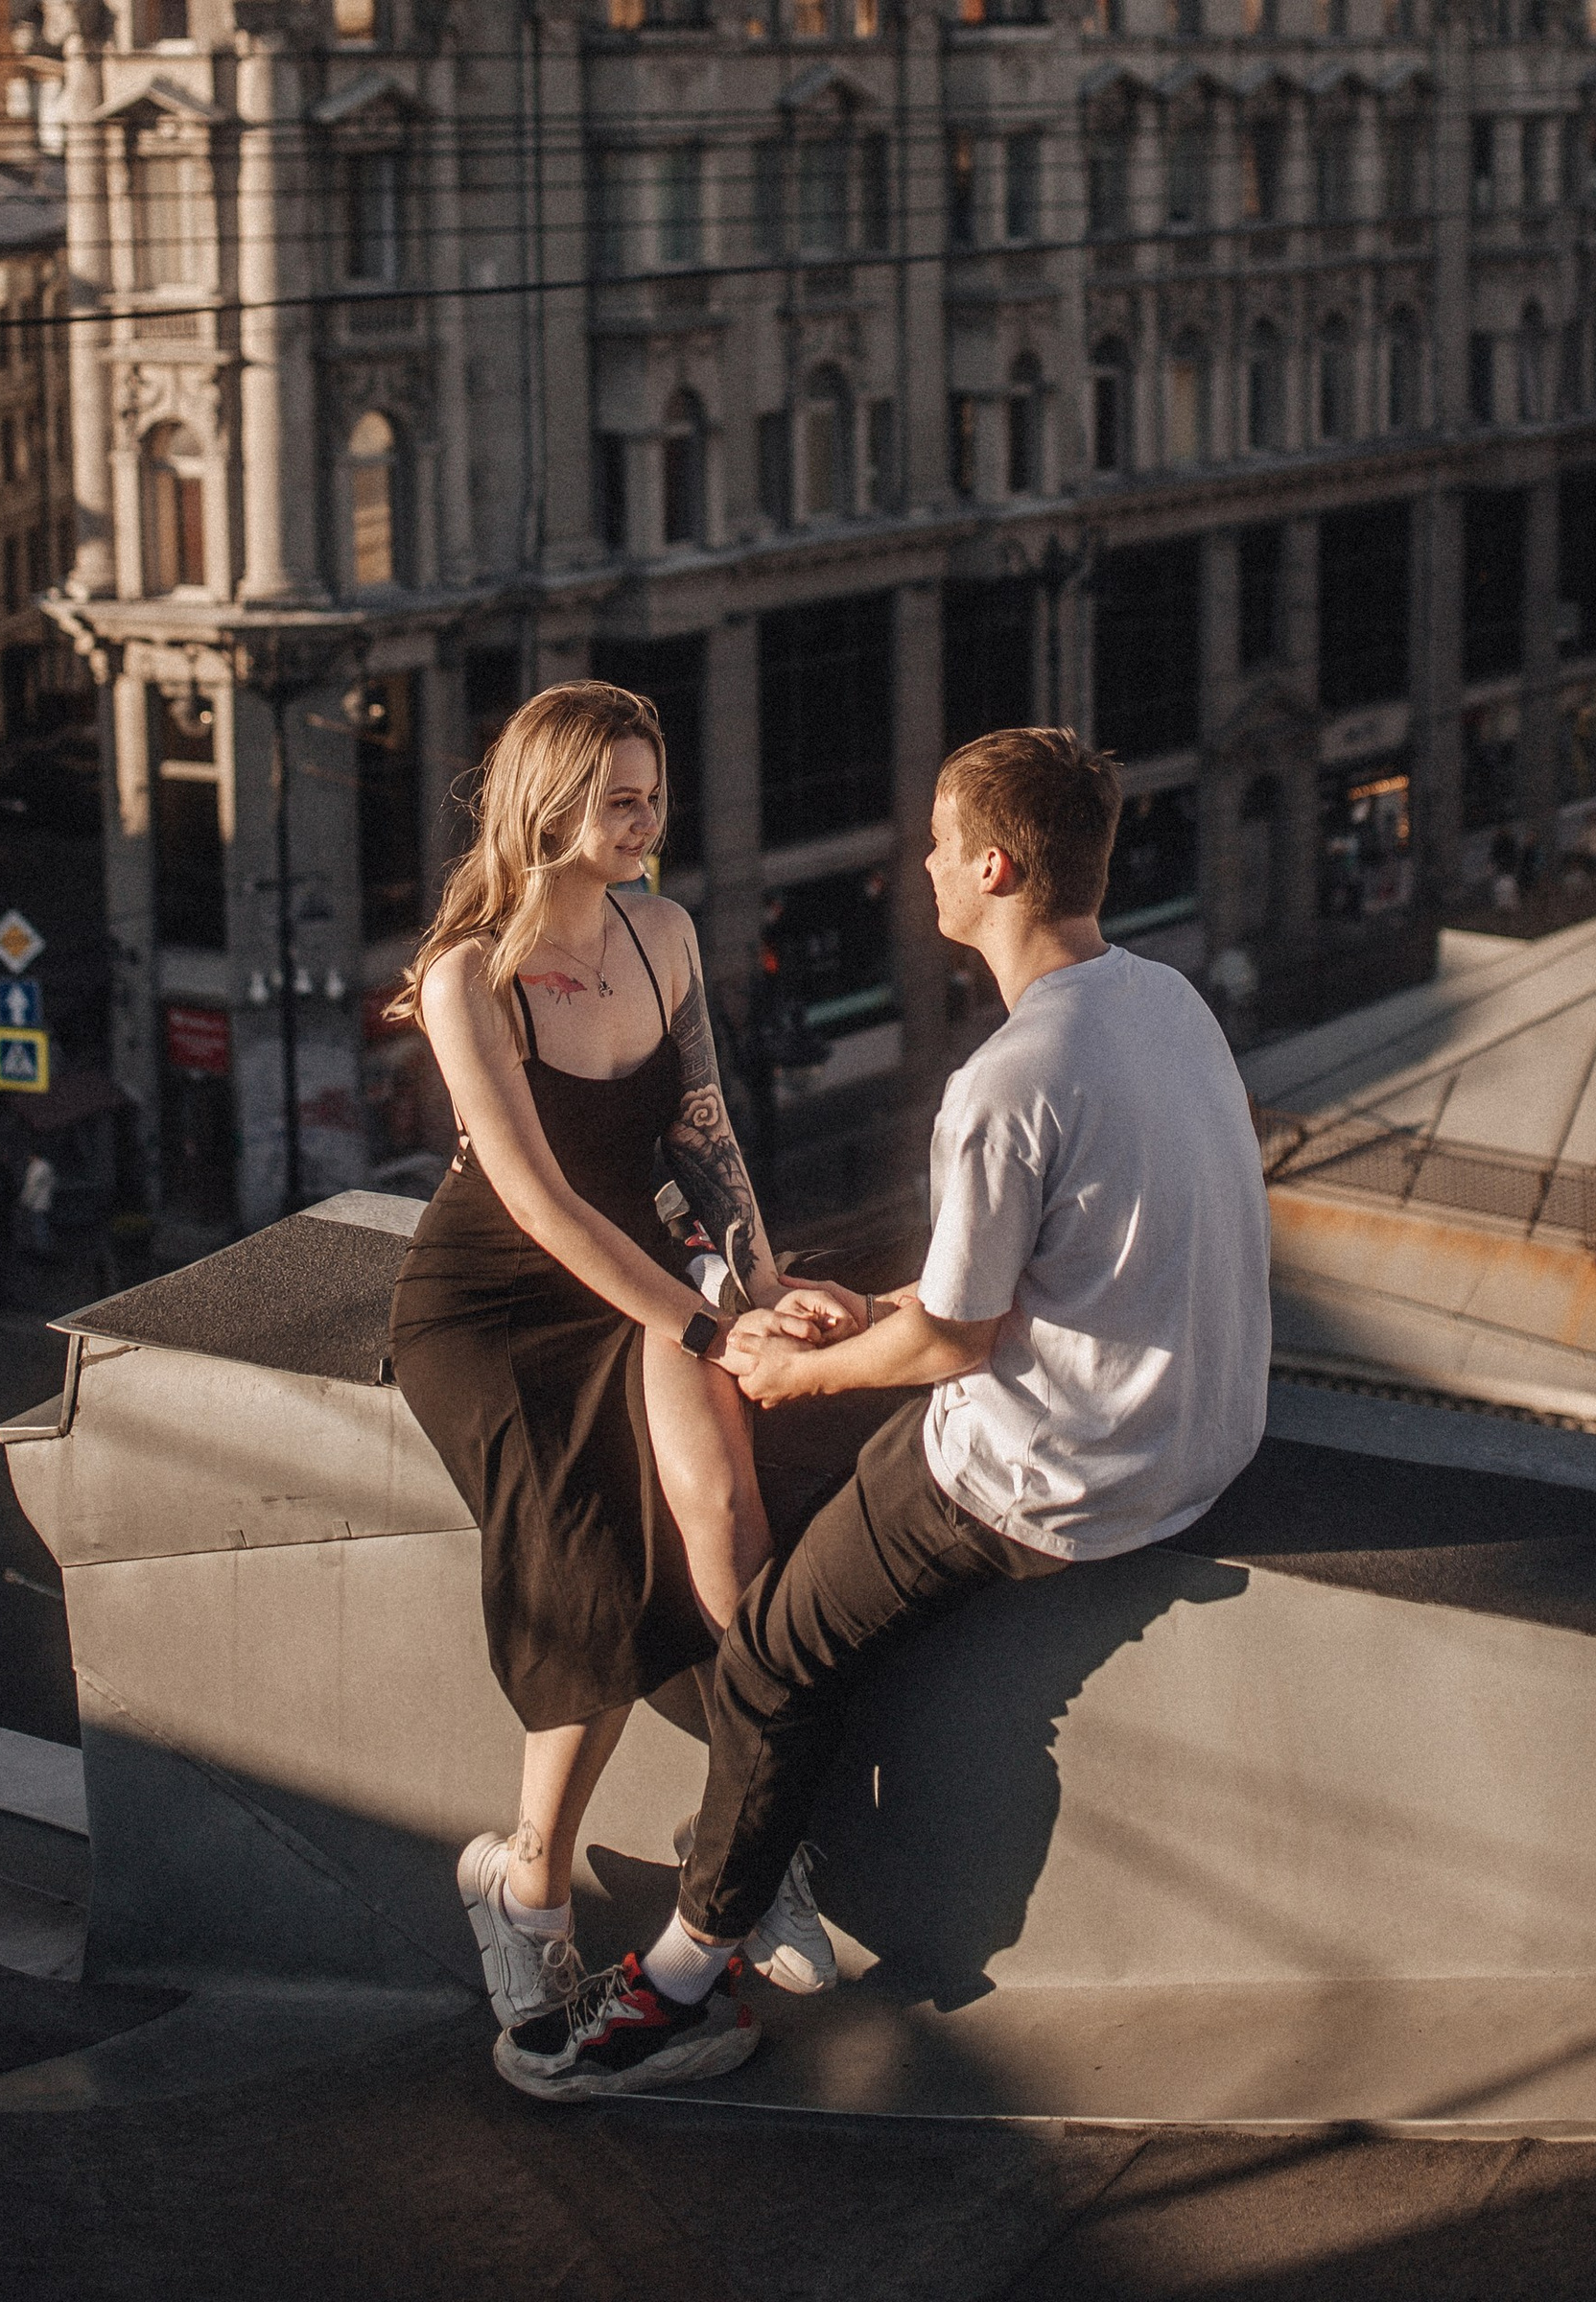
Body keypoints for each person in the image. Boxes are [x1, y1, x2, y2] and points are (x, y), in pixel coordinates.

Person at [495, 725, 1272, 2102]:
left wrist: (794, 1368)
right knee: (796, 1498)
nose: (919, 863)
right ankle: (749, 1840)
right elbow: (1030, 1266)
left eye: (935, 840)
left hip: (1058, 1475)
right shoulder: (1162, 1000)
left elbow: (958, 1342)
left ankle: (684, 1980)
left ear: (992, 865)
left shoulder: (1005, 1082)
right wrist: (863, 1312)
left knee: (774, 1658)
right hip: (1201, 1441)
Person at [387, 680, 842, 2039]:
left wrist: (764, 1287)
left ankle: (749, 1853)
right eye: (621, 798)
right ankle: (529, 1892)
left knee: (718, 1521)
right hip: (488, 1309)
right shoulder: (469, 975)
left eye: (656, 793)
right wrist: (707, 1321)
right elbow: (534, 1201)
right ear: (550, 805)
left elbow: (702, 1129)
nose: (649, 820)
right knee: (595, 1568)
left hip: (640, 1289)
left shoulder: (664, 932)